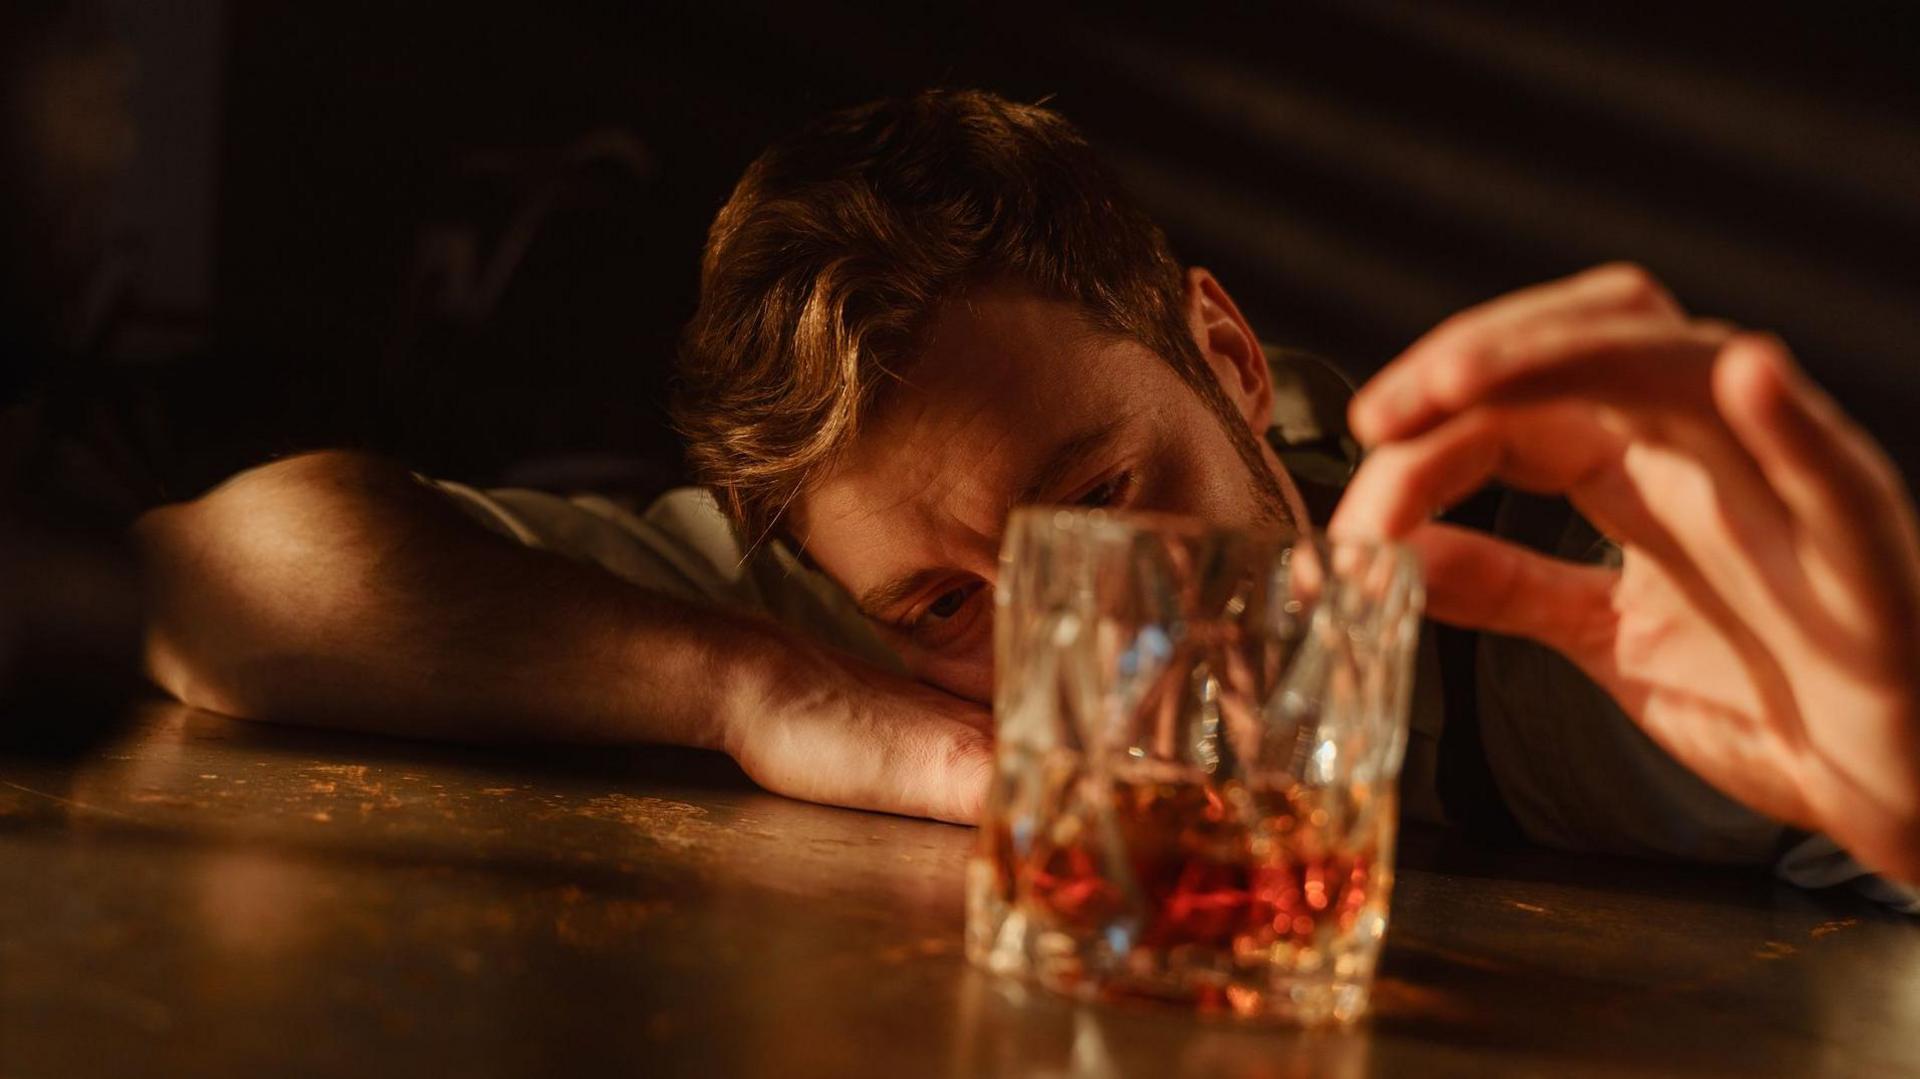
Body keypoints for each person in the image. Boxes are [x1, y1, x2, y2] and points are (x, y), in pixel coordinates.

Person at [134, 90, 1919, 904]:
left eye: (1111, 493)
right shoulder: (848, 618)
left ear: (1223, 353)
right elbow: (216, 576)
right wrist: (761, 694)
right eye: (948, 605)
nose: (1093, 640)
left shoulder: (1599, 608)